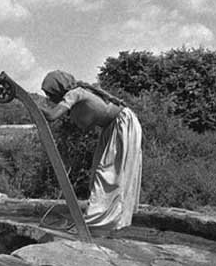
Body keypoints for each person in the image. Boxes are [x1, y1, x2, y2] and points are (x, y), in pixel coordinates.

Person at [39, 70, 142, 232]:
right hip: (113, 127)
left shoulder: (74, 94)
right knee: (99, 173)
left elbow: (52, 116)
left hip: (122, 125)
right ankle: (99, 220)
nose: (50, 98)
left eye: (50, 94)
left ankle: (96, 223)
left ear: (58, 88)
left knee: (108, 175)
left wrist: (30, 103)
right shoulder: (77, 94)